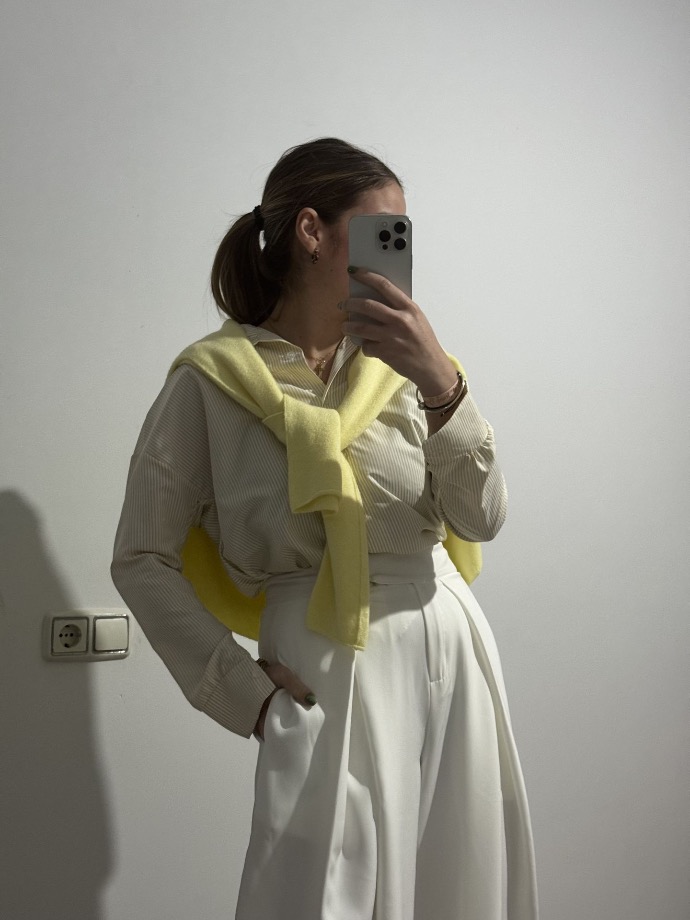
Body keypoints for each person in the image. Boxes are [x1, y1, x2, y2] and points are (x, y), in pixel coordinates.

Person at [111, 137, 538, 920]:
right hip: (320, 661)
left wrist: (441, 384)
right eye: (383, 230)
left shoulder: (413, 368)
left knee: (458, 884)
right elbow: (141, 556)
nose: (397, 252)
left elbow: (481, 518)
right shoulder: (209, 382)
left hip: (445, 641)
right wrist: (244, 696)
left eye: (402, 236)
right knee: (315, 895)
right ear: (311, 231)